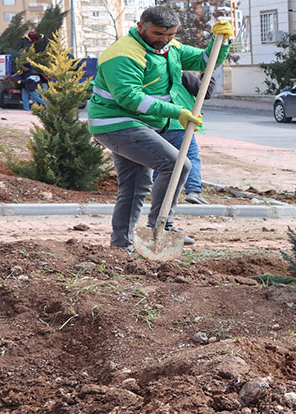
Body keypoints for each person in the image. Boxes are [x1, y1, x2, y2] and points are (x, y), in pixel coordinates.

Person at [87, 6, 232, 253]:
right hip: (116, 122)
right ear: (141, 26)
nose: (164, 39)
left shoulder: (170, 48)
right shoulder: (123, 54)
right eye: (158, 34)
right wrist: (177, 112)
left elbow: (207, 61)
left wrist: (222, 41)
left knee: (134, 186)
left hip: (140, 124)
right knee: (177, 164)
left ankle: (121, 248)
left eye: (171, 34)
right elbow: (130, 99)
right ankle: (161, 226)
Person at [151, 70, 219, 205]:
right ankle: (193, 191)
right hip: (180, 124)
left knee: (161, 160)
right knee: (190, 158)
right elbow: (205, 92)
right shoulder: (181, 75)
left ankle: (159, 192)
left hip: (156, 124)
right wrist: (207, 74)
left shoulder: (153, 75)